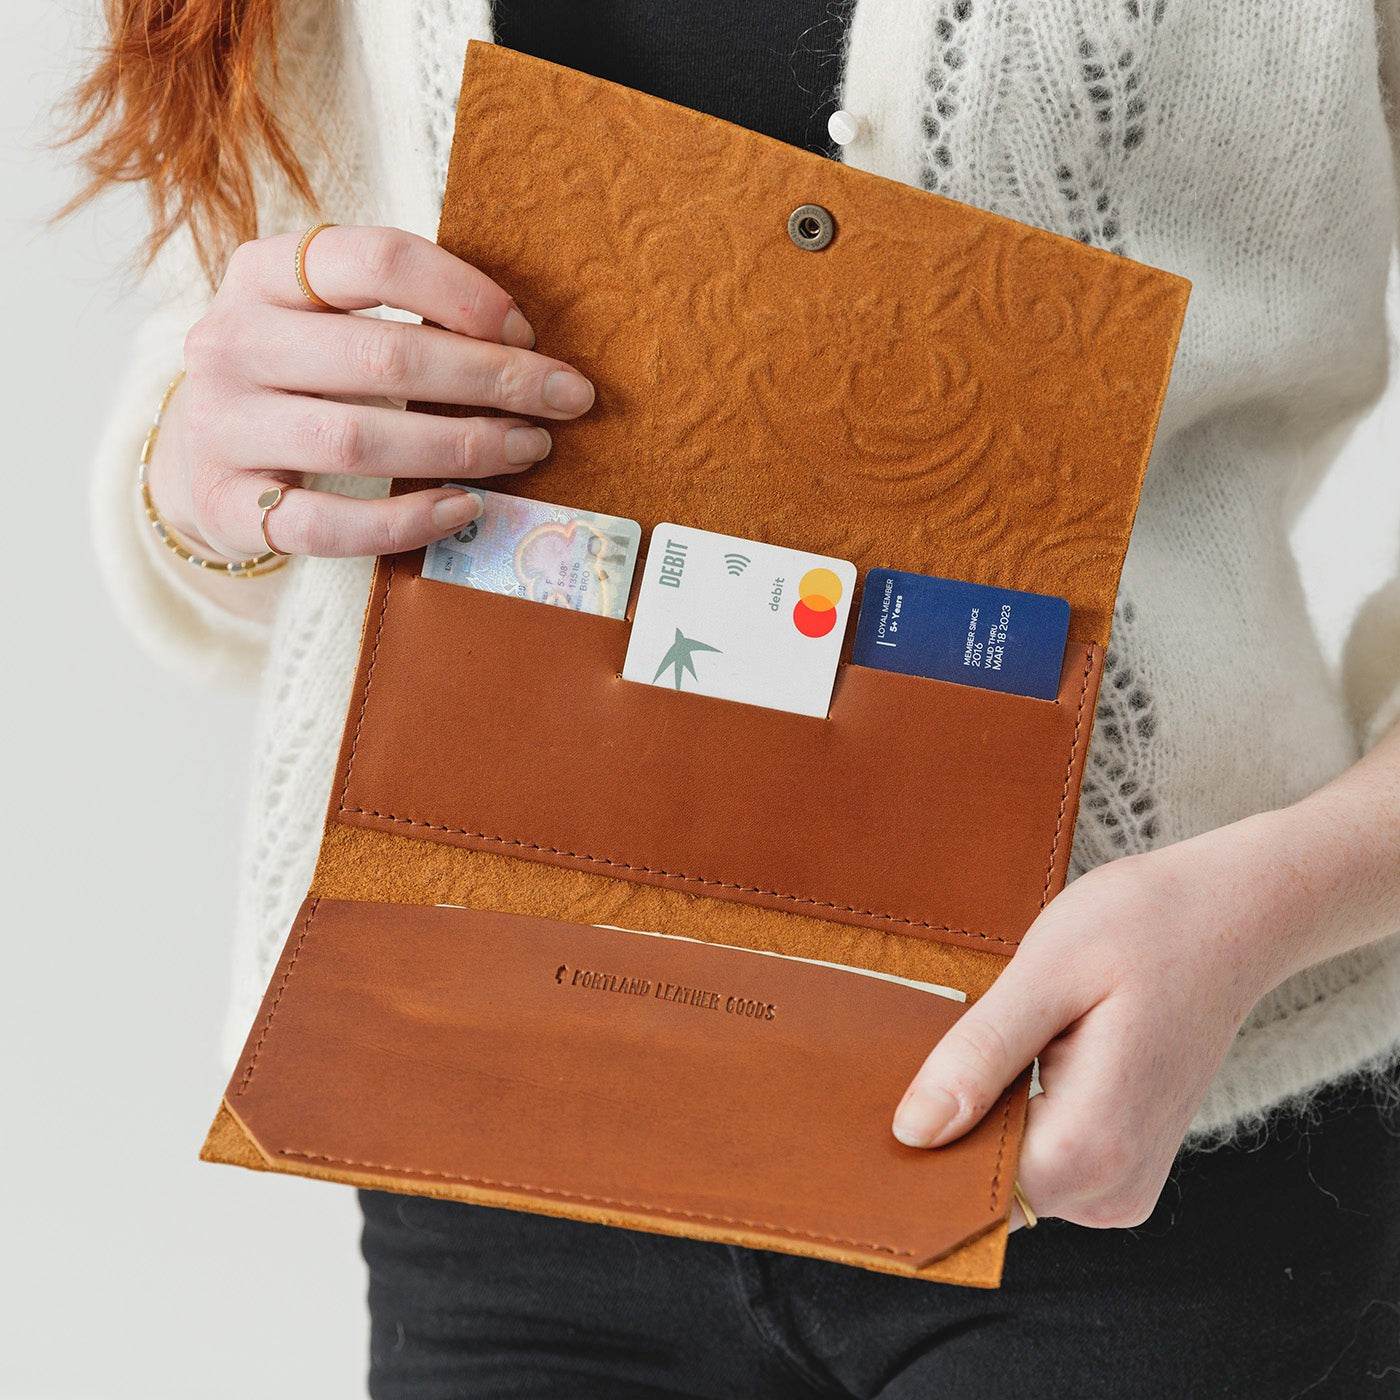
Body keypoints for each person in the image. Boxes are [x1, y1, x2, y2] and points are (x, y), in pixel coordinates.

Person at [66, 1, 1400, 1395]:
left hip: (1127, 1139)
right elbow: (221, 337)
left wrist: (1270, 902)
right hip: (500, 1131)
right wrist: (210, 473)